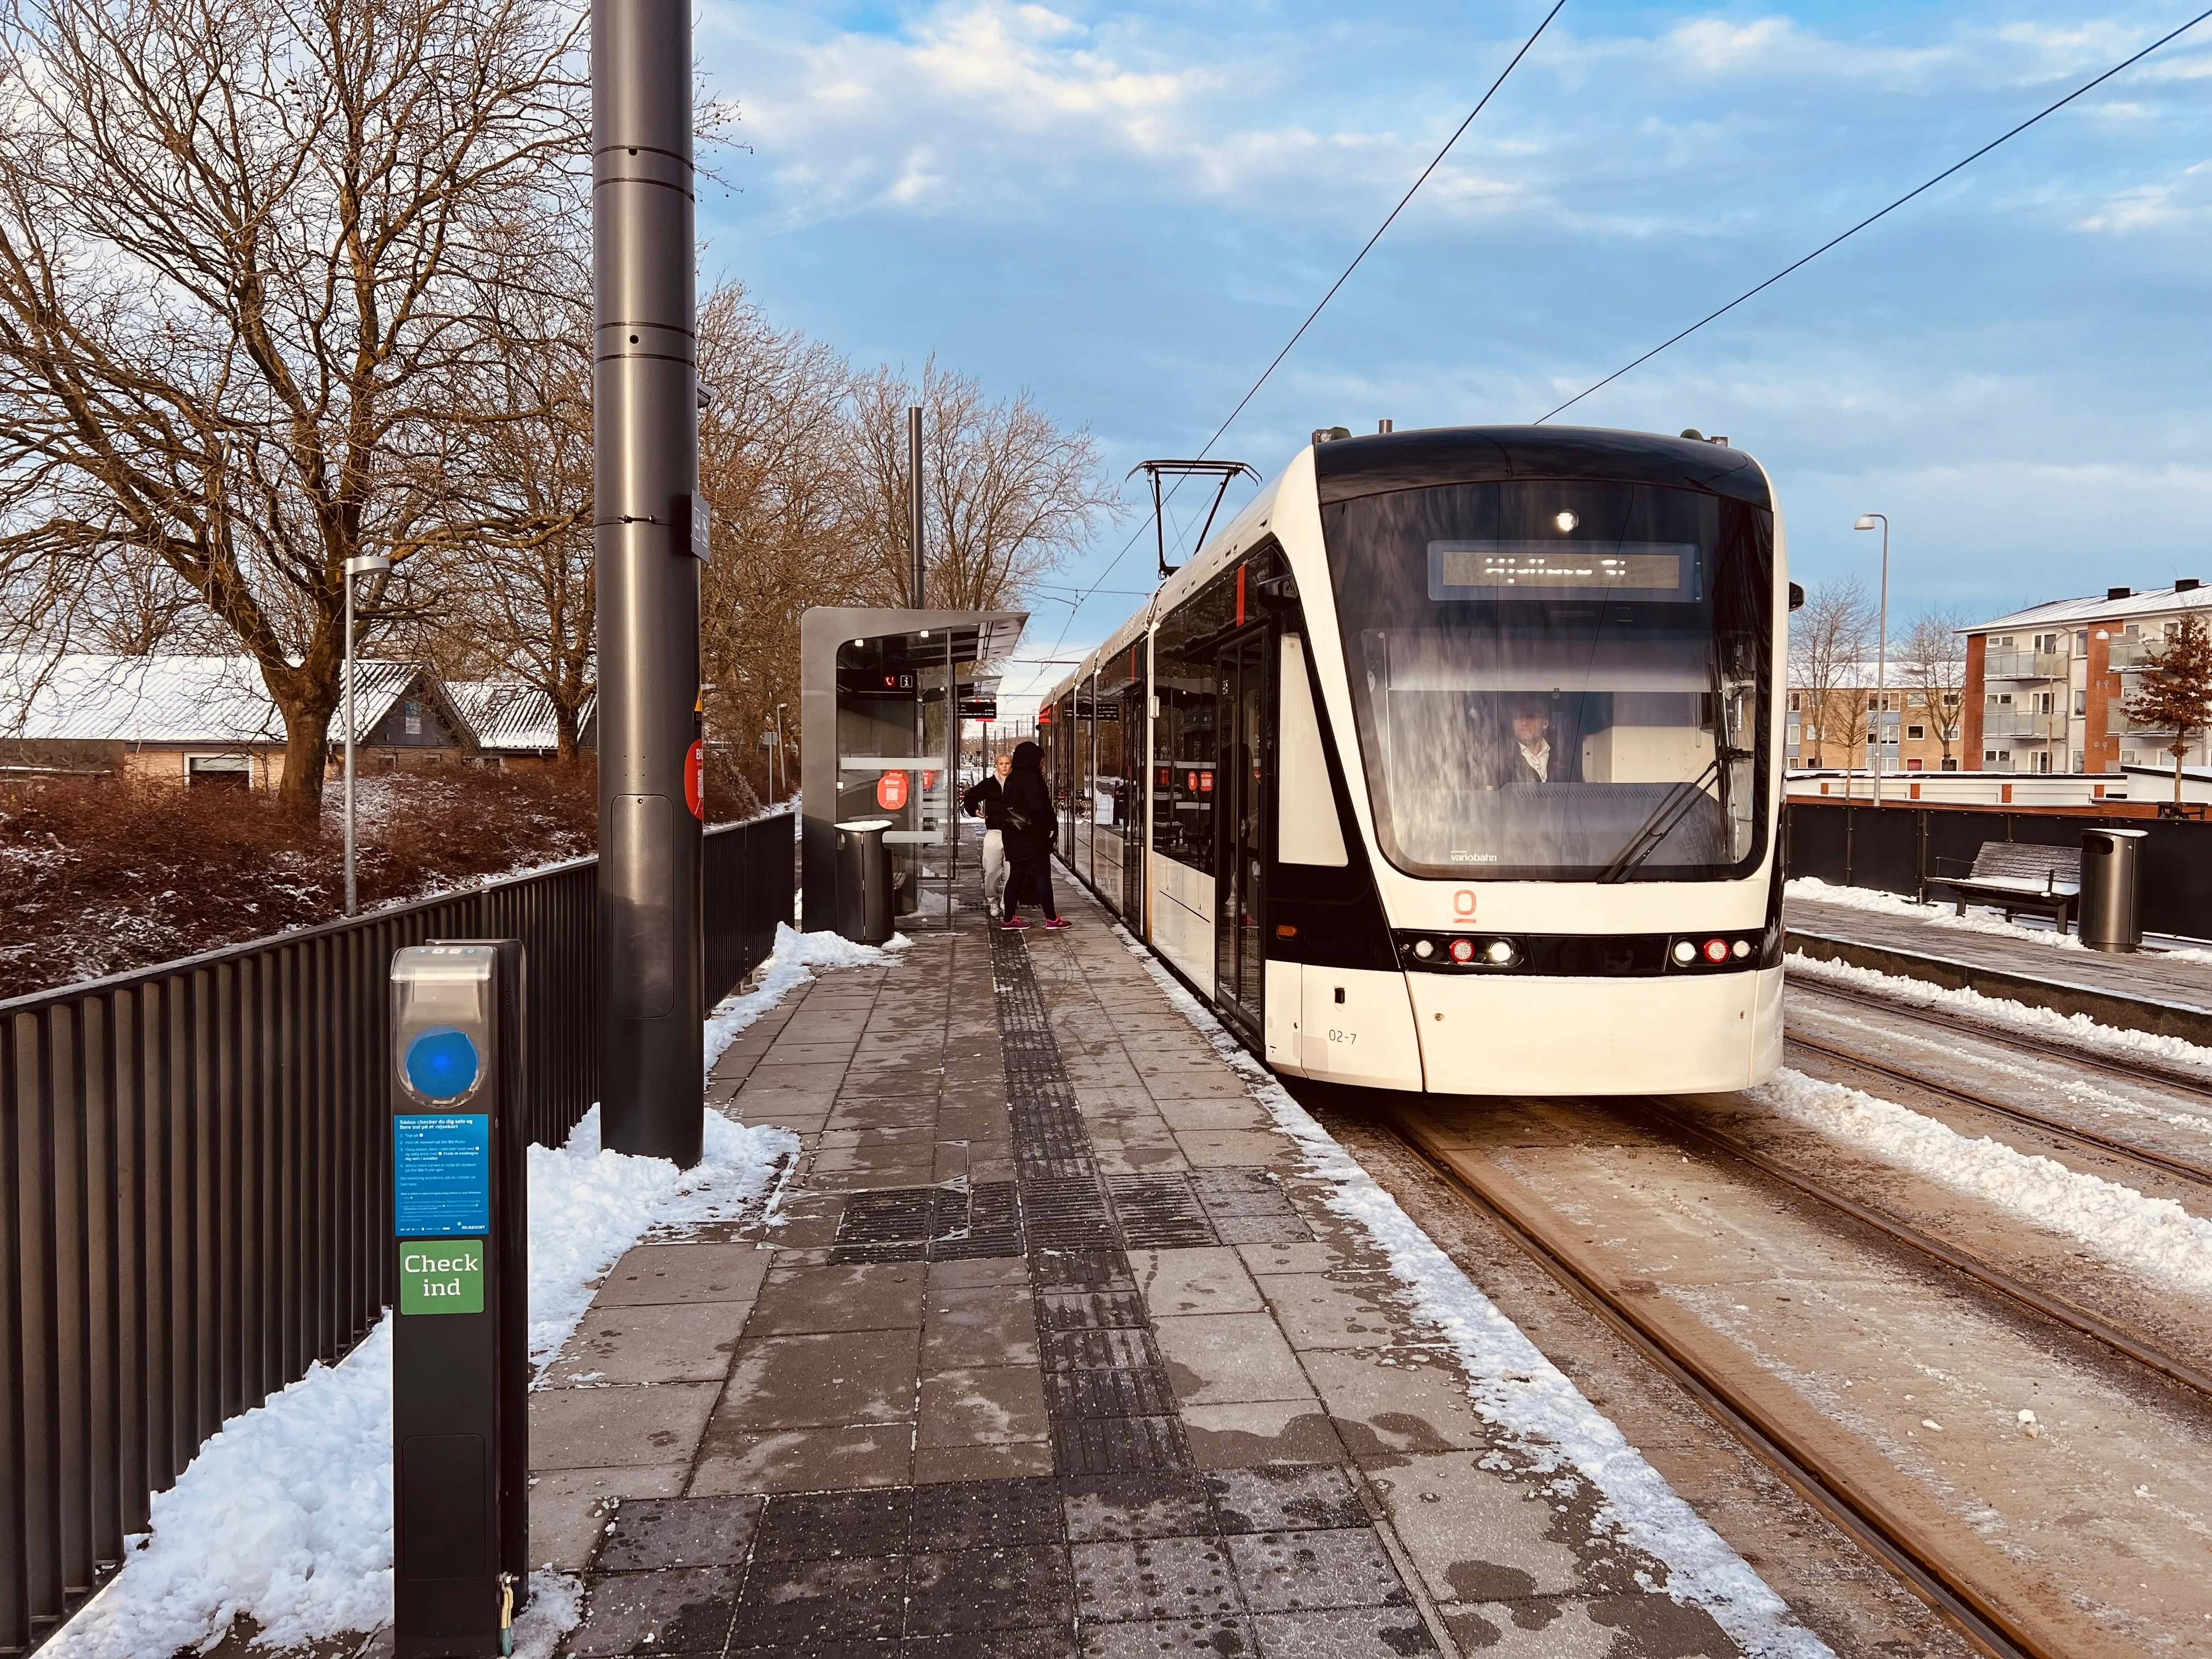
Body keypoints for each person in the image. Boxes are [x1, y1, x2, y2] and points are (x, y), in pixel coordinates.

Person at [999, 740, 1068, 930]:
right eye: (1039, 759)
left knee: (1016, 876)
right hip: (1032, 836)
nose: (1041, 763)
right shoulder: (1031, 779)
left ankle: (1008, 919)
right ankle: (1052, 919)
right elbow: (1038, 808)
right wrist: (1049, 827)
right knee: (1042, 874)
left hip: (1014, 835)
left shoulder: (1012, 778)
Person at [962, 751, 1014, 919]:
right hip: (995, 832)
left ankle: (1007, 903)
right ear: (997, 765)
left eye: (1007, 763)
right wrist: (975, 810)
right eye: (1001, 764)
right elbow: (971, 796)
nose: (1004, 767)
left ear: (1011, 765)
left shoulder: (1017, 783)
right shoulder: (989, 784)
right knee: (991, 869)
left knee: (1012, 871)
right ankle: (993, 900)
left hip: (1014, 833)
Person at [1494, 695, 1577, 786]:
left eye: (1530, 717)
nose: (1523, 723)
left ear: (1545, 723)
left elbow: (1578, 794)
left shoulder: (1564, 757)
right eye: (1518, 717)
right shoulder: (1499, 758)